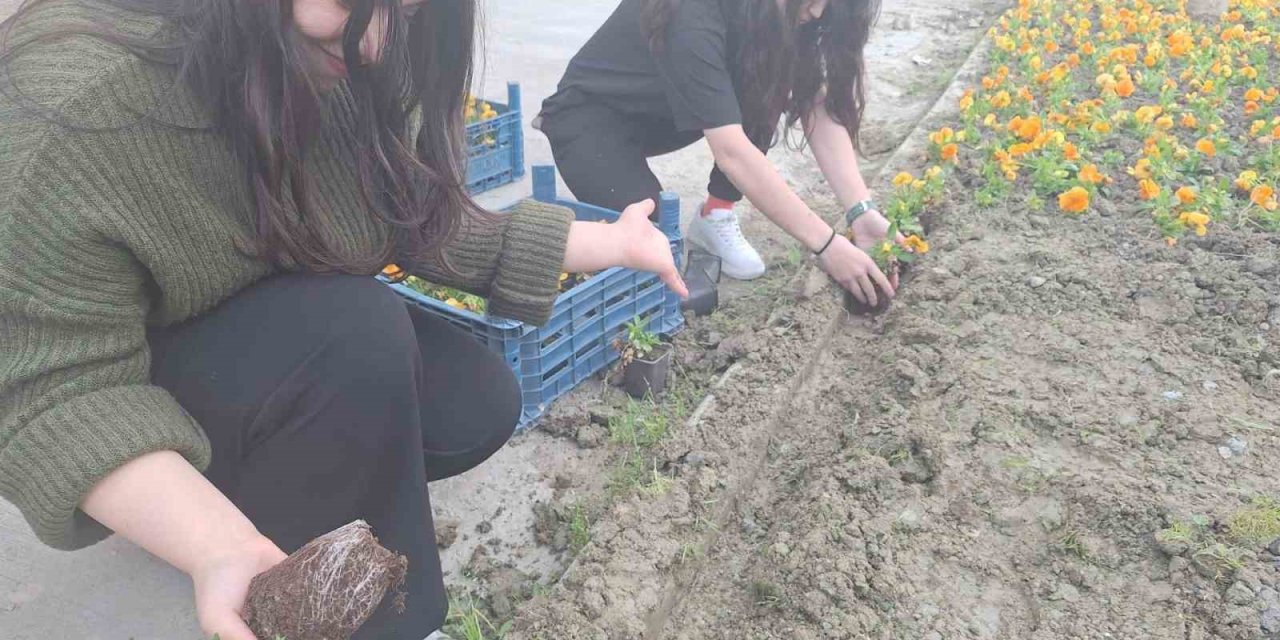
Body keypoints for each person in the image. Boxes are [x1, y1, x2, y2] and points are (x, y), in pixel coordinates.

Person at [0, 0, 685, 638]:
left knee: (472, 402)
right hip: (142, 375)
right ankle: (382, 617)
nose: (380, 40)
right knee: (356, 332)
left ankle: (261, 501)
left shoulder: (341, 60)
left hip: (263, 332)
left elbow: (412, 212)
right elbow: (53, 391)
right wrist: (214, 545)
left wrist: (611, 244)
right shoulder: (77, 117)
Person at [537, 0, 900, 306]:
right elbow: (733, 153)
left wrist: (861, 211)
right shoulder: (692, 11)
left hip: (664, 111)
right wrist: (827, 246)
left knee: (769, 81)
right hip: (591, 119)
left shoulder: (782, 10)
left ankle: (715, 214)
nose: (819, 11)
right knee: (654, 248)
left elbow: (816, 103)